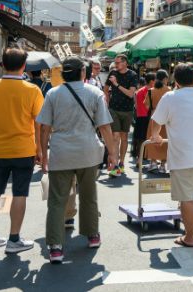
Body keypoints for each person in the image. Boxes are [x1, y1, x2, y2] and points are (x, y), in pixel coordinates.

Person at [37, 56, 118, 264]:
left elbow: (44, 127)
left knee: (57, 200)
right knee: (89, 196)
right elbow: (104, 127)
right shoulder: (95, 93)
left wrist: (43, 154)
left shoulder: (53, 94)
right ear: (83, 72)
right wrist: (113, 153)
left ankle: (55, 247)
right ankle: (92, 235)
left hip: (60, 152)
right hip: (88, 152)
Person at [0, 47, 44, 254]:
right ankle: (14, 239)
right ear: (24, 66)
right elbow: (39, 124)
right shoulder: (33, 90)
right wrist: (40, 150)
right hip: (24, 149)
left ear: (3, 64)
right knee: (19, 194)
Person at [149, 63, 193, 247]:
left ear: (175, 80)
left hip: (182, 155)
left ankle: (190, 236)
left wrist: (155, 136)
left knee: (186, 198)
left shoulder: (170, 97)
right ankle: (190, 232)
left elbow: (156, 120)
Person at [104, 54, 139, 176]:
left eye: (118, 62)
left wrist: (116, 84)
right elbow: (106, 87)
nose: (115, 65)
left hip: (128, 110)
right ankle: (115, 164)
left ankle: (122, 162)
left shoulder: (133, 75)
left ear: (125, 63)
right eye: (115, 62)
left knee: (124, 137)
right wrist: (107, 99)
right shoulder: (113, 73)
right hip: (114, 109)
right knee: (115, 136)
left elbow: (130, 94)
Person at [145, 69, 172, 173]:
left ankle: (153, 162)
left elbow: (147, 105)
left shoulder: (151, 91)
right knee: (165, 142)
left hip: (153, 118)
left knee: (152, 139)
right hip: (166, 120)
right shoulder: (169, 90)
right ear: (165, 79)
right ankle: (163, 165)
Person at [132, 72, 154, 163]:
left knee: (139, 139)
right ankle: (146, 157)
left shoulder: (138, 92)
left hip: (140, 116)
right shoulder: (152, 91)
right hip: (148, 117)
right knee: (148, 137)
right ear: (152, 81)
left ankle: (139, 157)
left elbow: (136, 106)